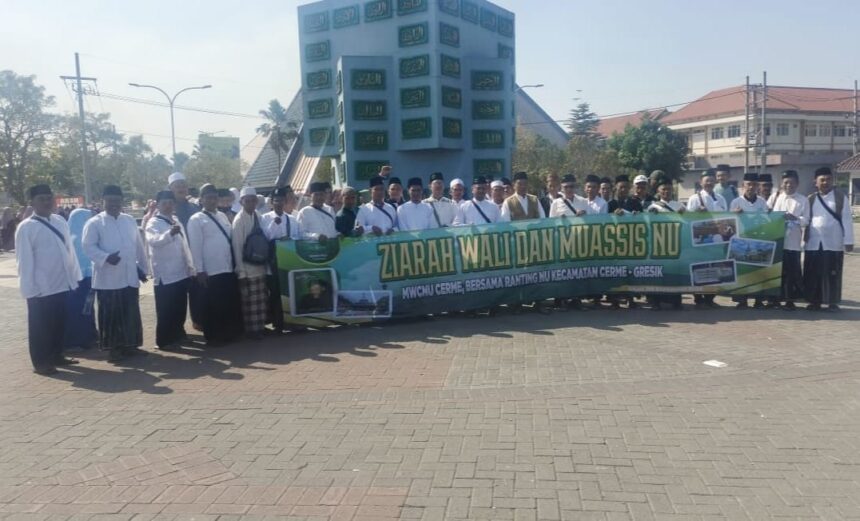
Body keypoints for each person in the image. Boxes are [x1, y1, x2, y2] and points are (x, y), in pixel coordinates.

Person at [15, 184, 82, 375]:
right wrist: (29, 288)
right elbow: (24, 261)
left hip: (61, 283)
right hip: (40, 287)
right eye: (41, 199)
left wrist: (74, 276)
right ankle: (41, 362)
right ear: (32, 203)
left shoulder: (60, 221)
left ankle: (56, 355)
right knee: (40, 327)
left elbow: (70, 251)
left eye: (48, 198)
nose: (46, 202)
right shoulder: (26, 227)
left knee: (58, 323)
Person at [82, 185, 149, 362]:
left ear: (122, 202)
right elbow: (88, 247)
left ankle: (131, 345)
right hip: (108, 278)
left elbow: (139, 246)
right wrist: (105, 258)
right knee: (111, 315)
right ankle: (114, 349)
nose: (114, 204)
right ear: (103, 201)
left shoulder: (128, 220)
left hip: (129, 276)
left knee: (130, 313)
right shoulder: (95, 222)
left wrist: (143, 268)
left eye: (117, 201)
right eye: (110, 201)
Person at [187, 185, 243, 346]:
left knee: (226, 302)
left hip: (226, 267)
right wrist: (199, 270)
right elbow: (195, 247)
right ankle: (213, 336)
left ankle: (227, 333)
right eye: (208, 197)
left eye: (214, 197)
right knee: (212, 305)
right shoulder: (196, 219)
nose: (212, 200)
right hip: (210, 270)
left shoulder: (223, 216)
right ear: (202, 199)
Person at [144, 190, 195, 351]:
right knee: (166, 309)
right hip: (165, 274)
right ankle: (164, 340)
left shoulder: (176, 220)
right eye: (164, 203)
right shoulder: (153, 223)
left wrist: (189, 265)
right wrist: (169, 234)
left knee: (179, 307)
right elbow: (153, 241)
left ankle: (178, 334)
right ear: (158, 205)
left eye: (170, 203)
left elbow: (184, 244)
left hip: (180, 271)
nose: (168, 206)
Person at [804, 166, 853, 311]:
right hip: (813, 243)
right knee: (813, 273)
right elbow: (807, 219)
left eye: (828, 179)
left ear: (832, 181)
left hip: (833, 243)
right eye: (822, 180)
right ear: (815, 182)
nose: (825, 182)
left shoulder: (840, 197)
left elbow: (847, 220)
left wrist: (848, 241)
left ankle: (832, 302)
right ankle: (814, 301)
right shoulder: (811, 199)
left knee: (832, 273)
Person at [261, 186, 301, 334]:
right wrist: (274, 225)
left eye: (281, 200)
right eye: (276, 200)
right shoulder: (265, 218)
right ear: (272, 202)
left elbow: (298, 236)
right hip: (272, 263)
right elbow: (264, 238)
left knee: (289, 291)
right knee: (276, 293)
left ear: (285, 201)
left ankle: (291, 322)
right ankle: (277, 323)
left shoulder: (292, 219)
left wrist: (289, 240)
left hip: (288, 262)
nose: (278, 203)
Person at [232, 187, 269, 340]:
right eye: (247, 200)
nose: (251, 203)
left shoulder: (258, 216)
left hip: (260, 265)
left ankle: (260, 327)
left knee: (260, 300)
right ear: (241, 202)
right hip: (247, 268)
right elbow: (237, 247)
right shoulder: (239, 220)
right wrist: (241, 273)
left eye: (253, 200)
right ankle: (252, 331)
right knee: (250, 302)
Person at [767, 170, 808, 310]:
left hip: (793, 242)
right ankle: (775, 299)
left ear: (797, 184)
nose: (788, 185)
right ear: (781, 184)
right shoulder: (774, 197)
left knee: (792, 272)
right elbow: (766, 214)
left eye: (792, 182)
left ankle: (790, 300)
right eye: (786, 182)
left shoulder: (803, 200)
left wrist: (795, 218)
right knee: (777, 272)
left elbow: (806, 220)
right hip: (777, 242)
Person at [729, 173, 769, 309]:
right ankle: (742, 300)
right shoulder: (736, 202)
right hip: (741, 241)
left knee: (758, 271)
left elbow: (767, 220)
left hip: (758, 240)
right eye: (748, 185)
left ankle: (758, 300)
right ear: (743, 186)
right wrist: (734, 213)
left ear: (757, 186)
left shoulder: (762, 202)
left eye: (754, 185)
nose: (751, 187)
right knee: (742, 271)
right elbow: (729, 223)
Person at [63, 207, 99, 351]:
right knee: (82, 310)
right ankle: (77, 340)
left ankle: (88, 337)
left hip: (82, 281)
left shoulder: (71, 237)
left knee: (86, 309)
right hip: (81, 281)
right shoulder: (77, 239)